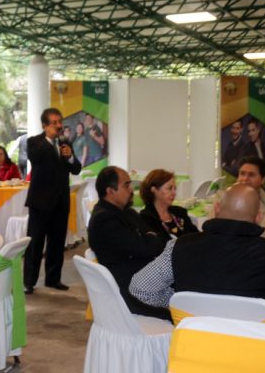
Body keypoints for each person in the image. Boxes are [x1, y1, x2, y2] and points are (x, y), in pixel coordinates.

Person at [129, 183, 265, 325]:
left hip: (195, 351)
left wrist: (180, 302)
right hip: (255, 354)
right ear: (258, 217)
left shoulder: (179, 247)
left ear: (217, 208)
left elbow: (140, 288)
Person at [87, 166, 169, 320]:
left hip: (143, 280)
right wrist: (148, 238)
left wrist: (148, 238)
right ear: (110, 190)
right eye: (126, 185)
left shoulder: (126, 212)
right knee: (181, 306)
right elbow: (144, 248)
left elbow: (155, 239)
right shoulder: (104, 219)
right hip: (130, 291)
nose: (131, 190)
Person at [24, 108, 82, 294]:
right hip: (40, 203)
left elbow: (76, 169)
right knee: (36, 244)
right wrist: (50, 141)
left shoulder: (65, 143)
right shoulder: (35, 142)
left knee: (57, 243)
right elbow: (35, 157)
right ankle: (29, 282)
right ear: (44, 126)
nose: (59, 125)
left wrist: (70, 155)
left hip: (60, 202)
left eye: (60, 121)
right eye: (54, 122)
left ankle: (53, 279)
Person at [139, 169, 198, 243]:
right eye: (169, 188)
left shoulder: (180, 212)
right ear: (154, 190)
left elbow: (197, 237)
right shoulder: (146, 218)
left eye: (175, 189)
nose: (174, 193)